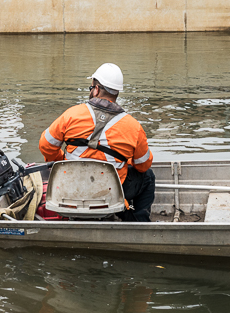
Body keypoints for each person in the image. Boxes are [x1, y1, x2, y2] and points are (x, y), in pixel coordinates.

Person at [40, 62, 155, 222]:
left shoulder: (71, 115)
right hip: (110, 194)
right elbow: (143, 165)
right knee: (148, 176)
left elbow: (46, 145)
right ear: (116, 93)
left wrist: (62, 163)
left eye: (91, 87)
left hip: (72, 187)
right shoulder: (133, 126)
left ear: (97, 89)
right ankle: (137, 222)